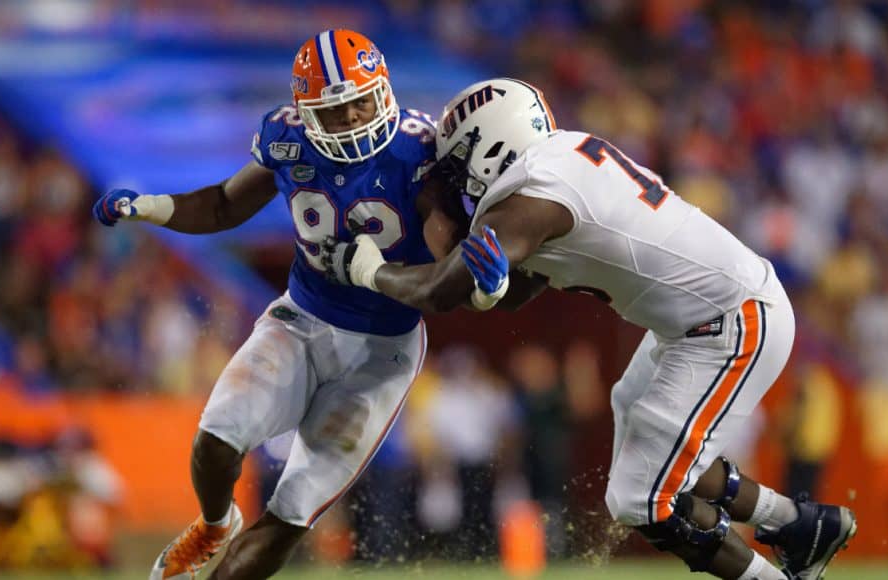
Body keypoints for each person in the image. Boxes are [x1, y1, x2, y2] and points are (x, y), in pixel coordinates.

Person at [323, 78, 857, 580]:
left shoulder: (531, 191)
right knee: (644, 434)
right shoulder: (557, 165)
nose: (457, 178)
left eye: (460, 161)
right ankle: (799, 525)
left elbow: (440, 290)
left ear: (491, 146)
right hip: (699, 320)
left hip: (729, 319)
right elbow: (518, 293)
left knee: (640, 498)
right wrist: (488, 289)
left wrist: (368, 269)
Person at [92, 29, 458, 580]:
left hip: (383, 349)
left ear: (384, 89)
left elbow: (444, 264)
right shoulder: (287, 139)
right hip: (303, 317)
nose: (356, 118)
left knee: (292, 509)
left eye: (363, 100)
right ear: (306, 114)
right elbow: (221, 205)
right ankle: (215, 523)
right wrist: (152, 206)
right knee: (215, 438)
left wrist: (394, 269)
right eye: (337, 111)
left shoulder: (420, 150)